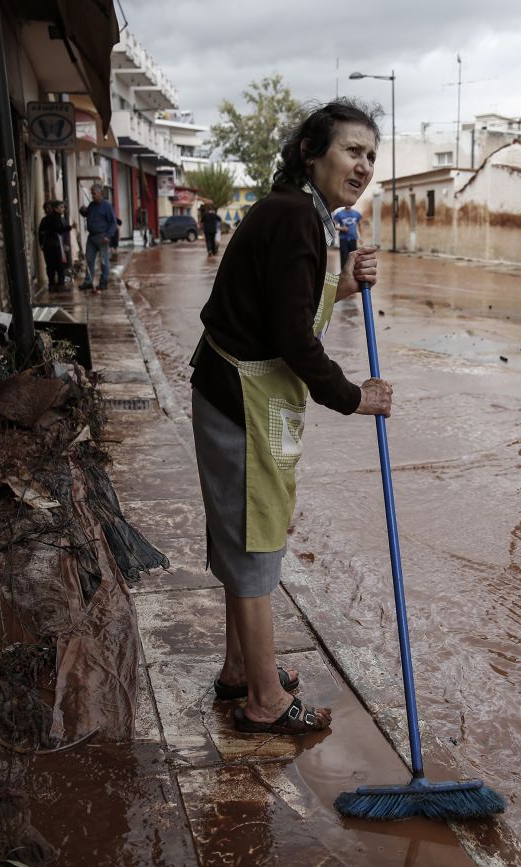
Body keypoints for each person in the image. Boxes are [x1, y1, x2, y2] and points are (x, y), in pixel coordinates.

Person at [189, 99, 389, 736]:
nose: (363, 165)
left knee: (246, 531)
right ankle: (266, 701)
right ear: (311, 150)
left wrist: (346, 283)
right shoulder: (297, 216)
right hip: (240, 401)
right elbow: (295, 338)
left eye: (371, 157)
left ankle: (239, 669)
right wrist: (355, 396)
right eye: (352, 150)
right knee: (255, 542)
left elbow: (289, 296)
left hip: (245, 398)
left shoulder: (301, 214)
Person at [79, 182, 117, 292]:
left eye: (94, 193)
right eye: (92, 193)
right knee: (89, 260)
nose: (92, 195)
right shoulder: (92, 205)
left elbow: (113, 223)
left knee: (104, 261)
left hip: (102, 237)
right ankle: (88, 282)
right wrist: (83, 211)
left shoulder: (107, 206)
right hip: (91, 237)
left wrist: (108, 236)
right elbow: (87, 214)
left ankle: (103, 282)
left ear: (100, 193)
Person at [37, 200, 72, 289]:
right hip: (53, 245)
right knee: (55, 265)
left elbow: (63, 233)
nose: (48, 210)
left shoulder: (56, 218)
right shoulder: (51, 219)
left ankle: (55, 283)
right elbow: (59, 230)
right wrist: (42, 243)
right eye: (46, 208)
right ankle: (57, 284)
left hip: (54, 244)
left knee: (54, 265)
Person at [333, 204, 362, 272]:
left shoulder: (356, 214)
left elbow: (359, 225)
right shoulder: (339, 214)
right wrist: (341, 228)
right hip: (343, 239)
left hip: (353, 239)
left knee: (353, 257)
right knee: (344, 257)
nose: (348, 205)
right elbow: (333, 225)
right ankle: (344, 273)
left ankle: (353, 274)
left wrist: (360, 237)